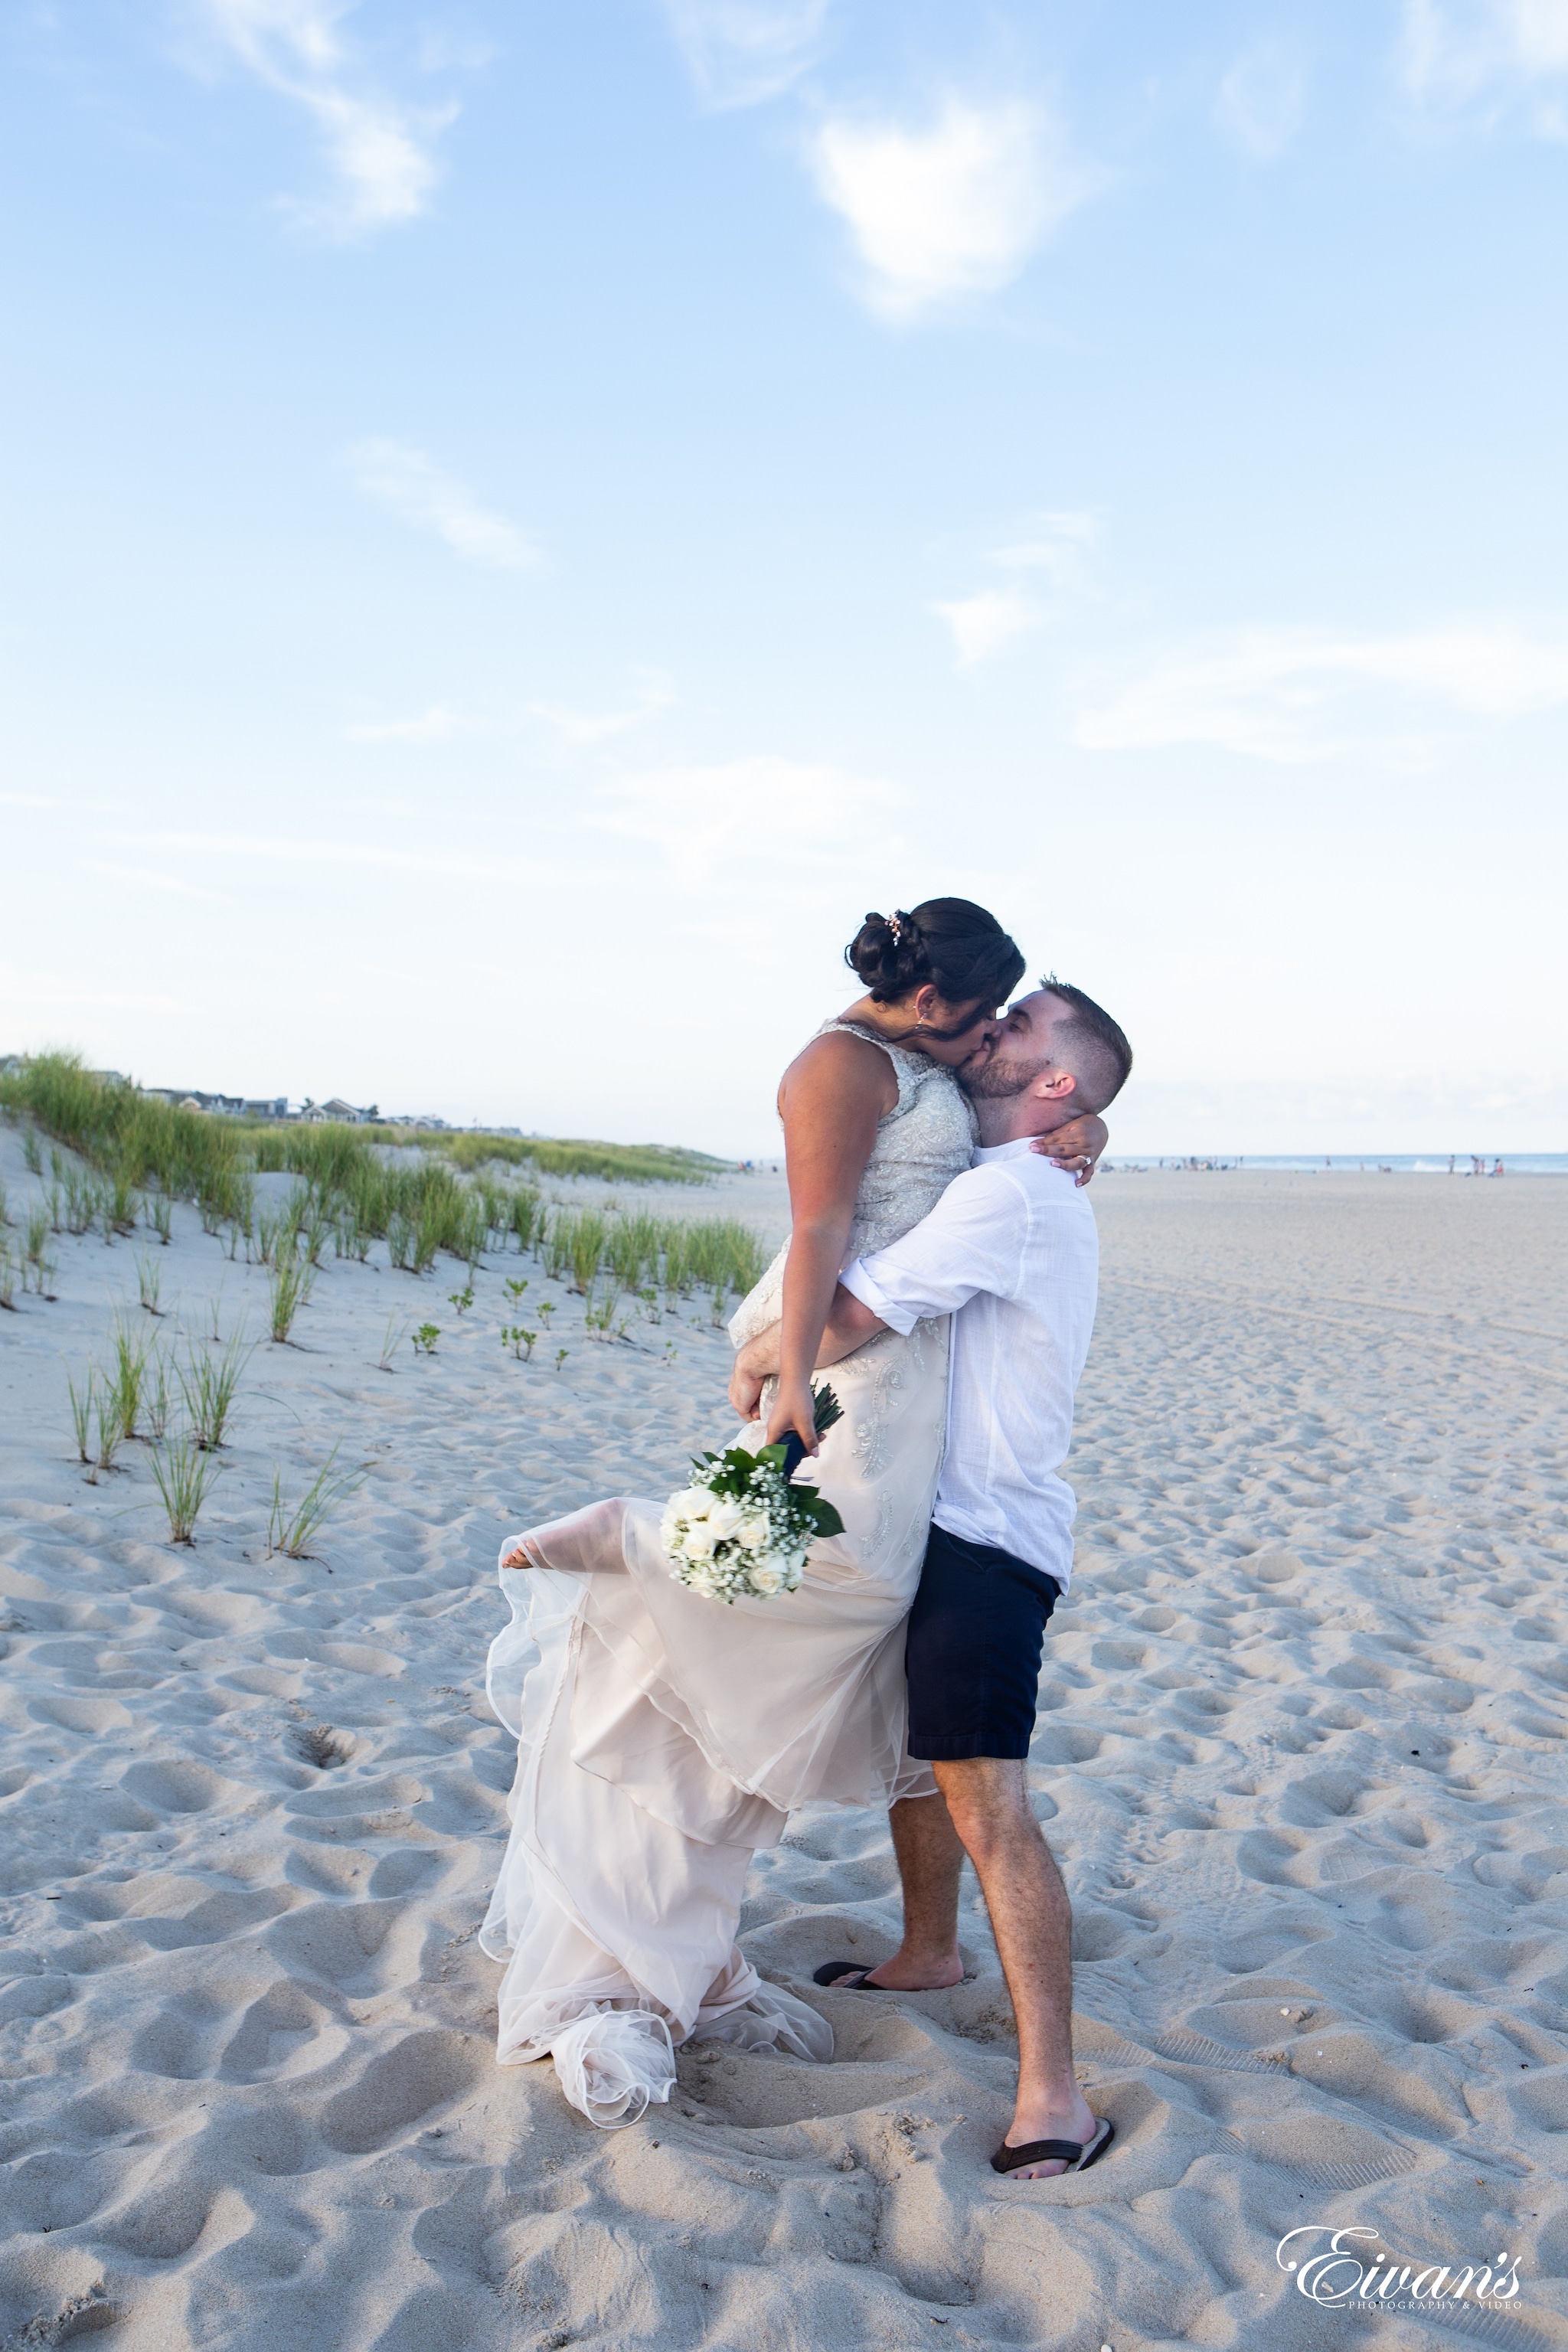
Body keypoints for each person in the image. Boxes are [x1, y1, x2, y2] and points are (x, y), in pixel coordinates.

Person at [480, 903, 1106, 2128]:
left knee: (921, 1730)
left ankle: (1008, 2048)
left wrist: (1084, 1117)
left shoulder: (970, 1118)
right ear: (934, 1007)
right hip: (886, 1423)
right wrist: (786, 1372)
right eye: (991, 1018)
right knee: (872, 1667)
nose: (990, 1043)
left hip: (949, 1465)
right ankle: (640, 1538)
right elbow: (827, 1223)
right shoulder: (875, 1079)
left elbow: (969, 1177)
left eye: (1011, 1034)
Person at [730, 980, 1132, 2180]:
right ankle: (926, 1950)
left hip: (987, 1541)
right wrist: (1094, 1127)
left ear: (1057, 1083)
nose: (989, 1034)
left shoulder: (1011, 1193)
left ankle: (1053, 2096)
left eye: (1016, 1027)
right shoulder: (1021, 1168)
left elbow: (850, 1313)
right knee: (921, 1756)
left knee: (988, 1801)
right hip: (932, 1513)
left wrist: (757, 1358)